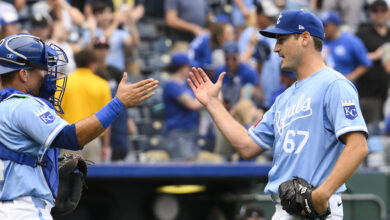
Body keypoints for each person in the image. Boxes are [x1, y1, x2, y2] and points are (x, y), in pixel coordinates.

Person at [188, 9, 368, 219]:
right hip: (285, 208)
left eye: (281, 39)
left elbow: (358, 146)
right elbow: (247, 146)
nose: (276, 48)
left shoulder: (334, 84)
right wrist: (213, 104)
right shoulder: (284, 98)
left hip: (316, 210)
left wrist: (322, 194)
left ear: (305, 38)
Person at [0, 33, 158, 220]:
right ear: (23, 74)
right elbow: (71, 137)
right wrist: (119, 103)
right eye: (42, 69)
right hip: (22, 210)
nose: (46, 75)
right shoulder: (23, 104)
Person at [60, 49, 112, 162]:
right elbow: (107, 118)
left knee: (68, 177)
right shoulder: (102, 84)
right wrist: (105, 146)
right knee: (93, 178)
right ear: (92, 64)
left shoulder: (63, 82)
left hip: (69, 138)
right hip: (93, 139)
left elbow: (57, 114)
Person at [162, 53, 202, 161]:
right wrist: (208, 98)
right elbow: (192, 104)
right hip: (178, 133)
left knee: (194, 168)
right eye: (188, 67)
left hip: (190, 132)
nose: (189, 70)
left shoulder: (184, 84)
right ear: (182, 67)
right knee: (184, 170)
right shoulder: (172, 85)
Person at [356, 0, 390, 124]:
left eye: (383, 11)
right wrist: (374, 55)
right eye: (376, 11)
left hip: (387, 94)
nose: (380, 14)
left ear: (388, 13)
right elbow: (353, 59)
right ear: (371, 14)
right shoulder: (362, 33)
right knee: (370, 132)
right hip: (368, 95)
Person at [321, 11, 371, 82]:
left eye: (325, 25)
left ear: (335, 25)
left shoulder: (351, 41)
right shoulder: (319, 40)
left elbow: (366, 63)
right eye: (321, 25)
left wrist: (350, 77)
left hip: (343, 87)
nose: (323, 28)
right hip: (323, 85)